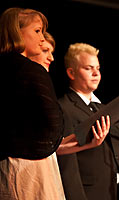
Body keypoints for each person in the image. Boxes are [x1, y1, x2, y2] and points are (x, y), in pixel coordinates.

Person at [57, 42, 119, 200]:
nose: (95, 73)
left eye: (97, 68)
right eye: (88, 68)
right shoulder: (64, 108)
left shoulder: (106, 108)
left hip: (118, 191)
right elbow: (67, 162)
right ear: (71, 73)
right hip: (91, 194)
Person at [0, 8, 65, 199]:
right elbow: (53, 123)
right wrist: (41, 148)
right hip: (30, 170)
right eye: (37, 31)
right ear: (17, 32)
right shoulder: (31, 71)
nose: (42, 38)